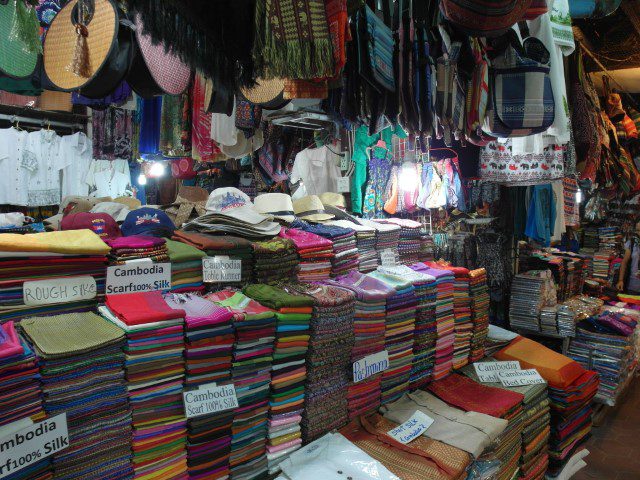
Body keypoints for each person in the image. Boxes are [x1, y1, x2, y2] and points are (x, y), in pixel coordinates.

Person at [617, 220, 640, 293]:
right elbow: (624, 263)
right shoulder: (632, 243)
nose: (639, 233)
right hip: (632, 286)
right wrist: (620, 280)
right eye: (637, 230)